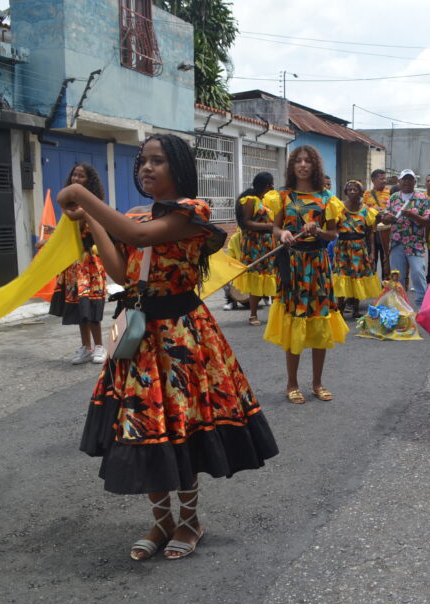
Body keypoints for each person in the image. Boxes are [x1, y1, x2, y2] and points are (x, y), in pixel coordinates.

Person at [57, 133, 278, 561]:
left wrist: (81, 193)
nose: (146, 167)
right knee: (144, 428)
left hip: (181, 336)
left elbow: (140, 240)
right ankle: (161, 521)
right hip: (140, 335)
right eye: (142, 160)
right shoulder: (138, 217)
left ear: (178, 167)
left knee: (181, 427)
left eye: (157, 160)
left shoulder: (192, 212)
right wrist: (93, 222)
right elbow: (121, 270)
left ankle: (190, 520)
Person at [265, 145, 348, 404]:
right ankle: (291, 384)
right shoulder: (284, 196)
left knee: (320, 322)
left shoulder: (327, 199)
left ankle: (317, 383)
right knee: (295, 320)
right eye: (298, 161)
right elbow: (275, 228)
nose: (302, 165)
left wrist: (318, 232)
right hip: (293, 266)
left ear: (315, 166)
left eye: (307, 161)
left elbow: (334, 234)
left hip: (319, 265)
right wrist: (284, 234)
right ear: (292, 166)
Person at [49, 163, 108, 364]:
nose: (76, 178)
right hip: (73, 266)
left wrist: (63, 204)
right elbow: (65, 235)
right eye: (74, 174)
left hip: (89, 264)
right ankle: (86, 348)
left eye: (81, 176)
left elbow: (76, 218)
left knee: (91, 306)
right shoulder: (72, 206)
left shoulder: (92, 204)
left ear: (88, 181)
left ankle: (99, 347)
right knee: (79, 309)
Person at [380, 169, 430, 308]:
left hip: (415, 243)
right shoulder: (394, 197)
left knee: (417, 273)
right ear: (399, 181)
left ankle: (423, 305)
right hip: (397, 242)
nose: (407, 182)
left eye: (410, 179)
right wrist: (387, 219)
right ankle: (400, 306)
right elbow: (384, 219)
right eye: (404, 179)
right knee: (397, 276)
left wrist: (412, 215)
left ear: (415, 181)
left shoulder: (422, 198)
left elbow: (427, 221)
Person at [235, 172, 278, 326]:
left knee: (271, 277)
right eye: (270, 184)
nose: (272, 187)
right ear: (264, 185)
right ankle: (253, 315)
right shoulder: (250, 200)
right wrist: (269, 226)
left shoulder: (264, 201)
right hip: (254, 244)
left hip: (268, 243)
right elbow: (246, 223)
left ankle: (275, 314)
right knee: (256, 278)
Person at [333, 179, 379, 319]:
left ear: (361, 193)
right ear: (346, 192)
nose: (352, 192)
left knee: (357, 277)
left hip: (359, 247)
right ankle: (340, 309)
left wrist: (372, 252)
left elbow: (370, 233)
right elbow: (332, 228)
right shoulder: (339, 208)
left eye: (356, 189)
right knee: (342, 277)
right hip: (343, 247)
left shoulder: (366, 211)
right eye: (350, 189)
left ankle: (356, 309)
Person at [363, 169, 391, 278]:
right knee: (372, 257)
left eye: (385, 178)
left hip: (386, 231)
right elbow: (362, 210)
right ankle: (372, 283)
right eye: (381, 178)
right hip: (371, 232)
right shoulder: (367, 194)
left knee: (386, 258)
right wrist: (373, 209)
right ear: (373, 179)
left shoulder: (390, 192)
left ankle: (385, 284)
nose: (384, 181)